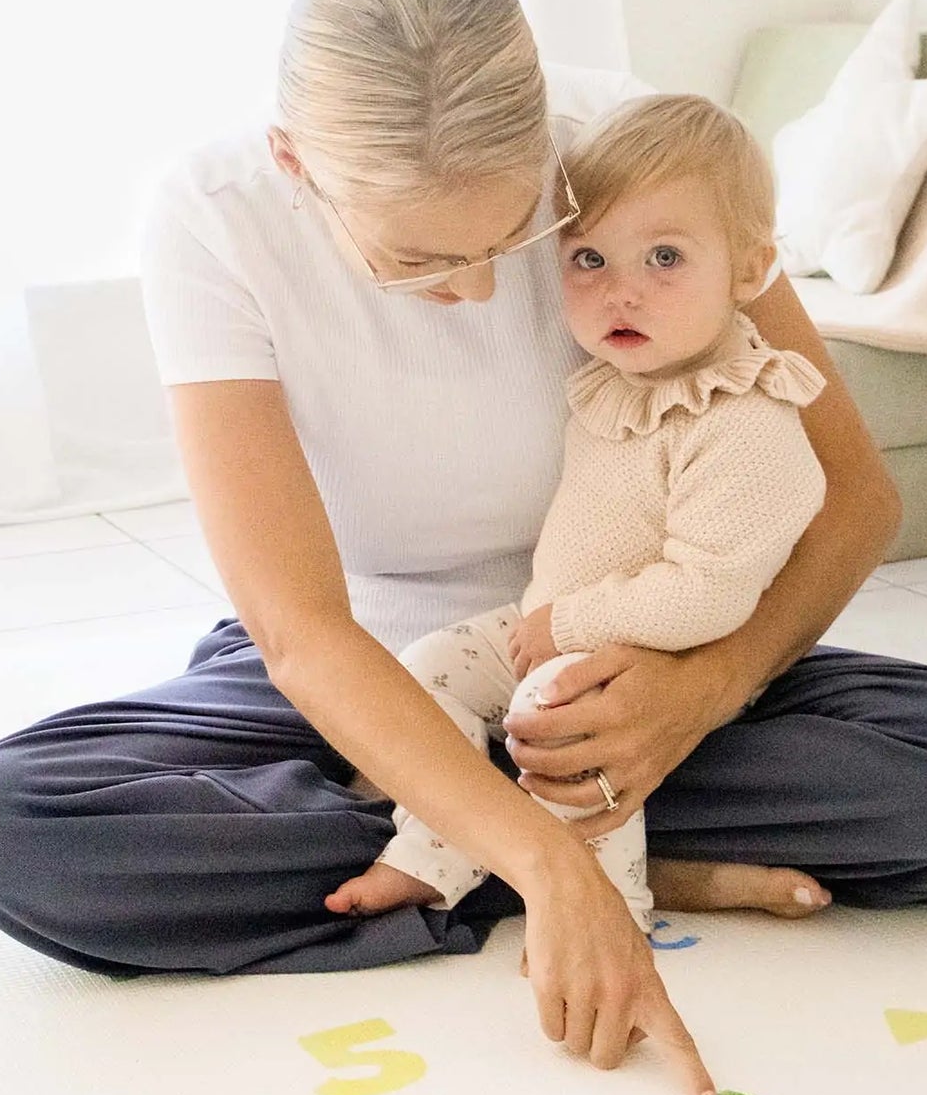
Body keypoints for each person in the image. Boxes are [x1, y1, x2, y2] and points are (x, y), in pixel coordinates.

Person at [0, 0, 927, 1095]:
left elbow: (853, 496)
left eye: (511, 241)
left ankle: (460, 851)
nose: (468, 291)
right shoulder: (214, 219)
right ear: (294, 161)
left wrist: (698, 692)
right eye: (413, 259)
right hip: (359, 675)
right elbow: (299, 632)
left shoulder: (639, 152)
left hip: (626, 664)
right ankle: (605, 859)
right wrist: (554, 865)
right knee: (5, 828)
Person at [328, 94, 833, 935]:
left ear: (749, 271)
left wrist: (570, 623)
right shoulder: (616, 383)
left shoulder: (743, 418)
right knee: (424, 666)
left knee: (560, 715)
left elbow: (708, 593)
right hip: (553, 631)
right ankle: (435, 853)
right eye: (589, 258)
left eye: (664, 257)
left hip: (670, 660)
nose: (620, 292)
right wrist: (555, 625)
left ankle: (609, 906)